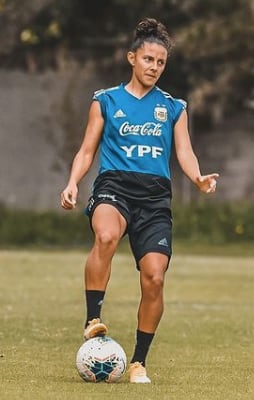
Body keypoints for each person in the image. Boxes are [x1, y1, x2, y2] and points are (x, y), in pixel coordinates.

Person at [60, 17, 219, 384]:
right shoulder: (105, 100)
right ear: (132, 58)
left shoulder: (173, 107)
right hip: (114, 187)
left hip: (155, 198)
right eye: (148, 59)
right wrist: (72, 182)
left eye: (161, 62)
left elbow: (185, 152)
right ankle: (92, 319)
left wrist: (197, 177)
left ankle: (138, 362)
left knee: (155, 279)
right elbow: (86, 150)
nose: (154, 67)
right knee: (106, 237)